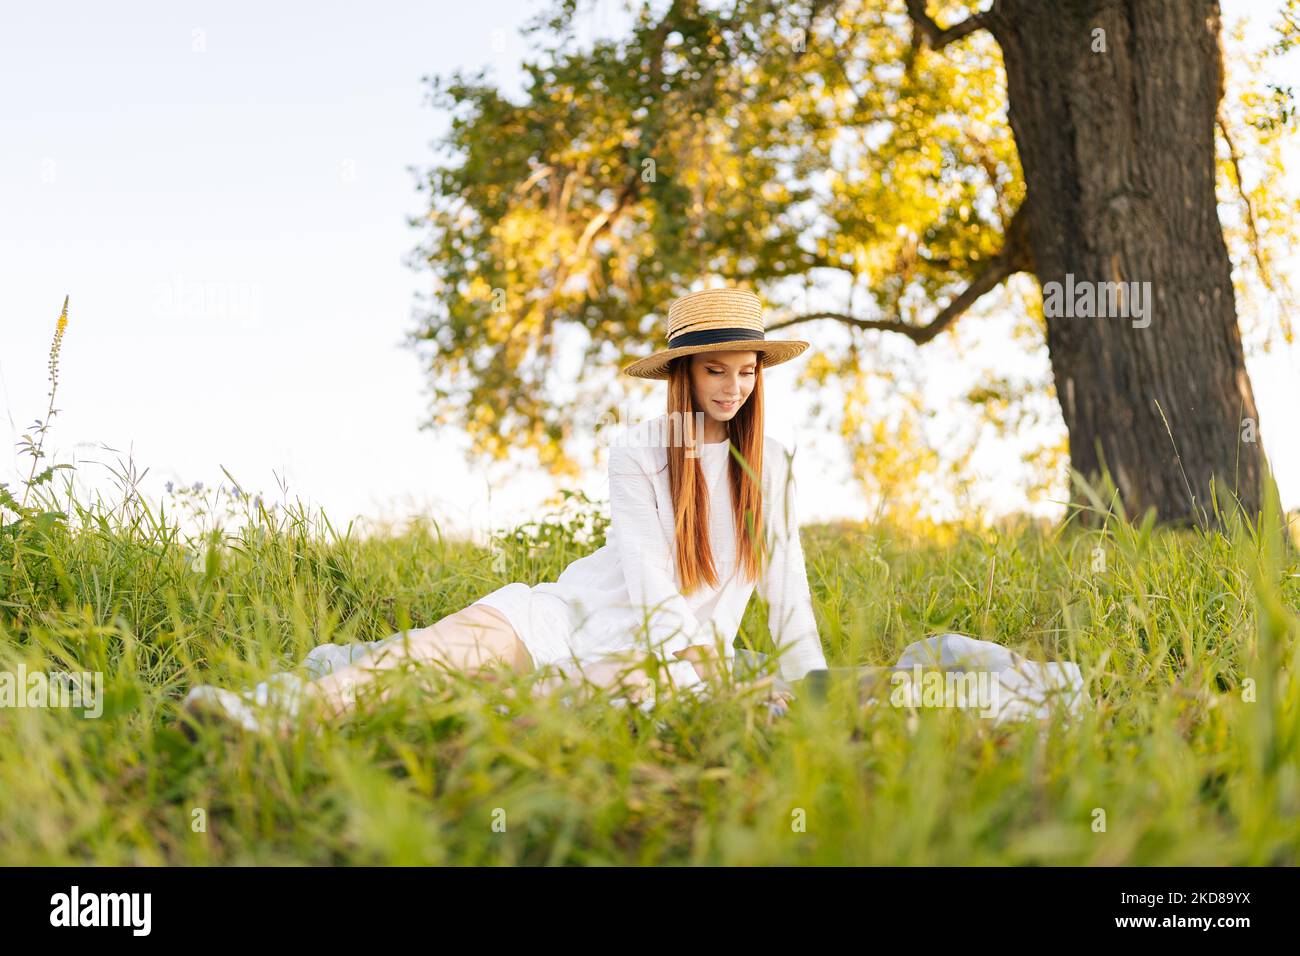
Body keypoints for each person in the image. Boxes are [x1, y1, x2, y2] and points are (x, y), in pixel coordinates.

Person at [180, 286, 829, 738]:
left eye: (745, 372)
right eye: (715, 371)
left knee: (530, 706)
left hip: (663, 659)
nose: (732, 387)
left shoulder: (772, 464)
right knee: (441, 648)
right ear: (681, 375)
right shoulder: (638, 451)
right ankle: (265, 715)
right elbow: (646, 571)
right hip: (577, 609)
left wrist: (812, 690)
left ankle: (354, 730)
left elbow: (785, 588)